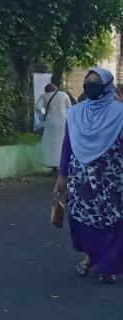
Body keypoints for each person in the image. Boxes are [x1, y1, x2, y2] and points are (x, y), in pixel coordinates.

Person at [56, 67, 123, 283]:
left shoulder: (120, 112)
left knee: (110, 221)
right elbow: (67, 145)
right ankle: (90, 255)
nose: (90, 84)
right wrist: (62, 176)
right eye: (88, 80)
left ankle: (106, 266)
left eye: (96, 81)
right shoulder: (75, 113)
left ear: (106, 87)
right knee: (82, 220)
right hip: (81, 178)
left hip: (111, 178)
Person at [37, 84, 71, 169]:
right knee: (62, 142)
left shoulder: (43, 96)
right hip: (62, 120)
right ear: (56, 89)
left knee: (50, 144)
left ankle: (52, 165)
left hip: (50, 121)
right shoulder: (63, 94)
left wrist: (42, 115)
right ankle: (62, 165)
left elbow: (37, 107)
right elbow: (69, 106)